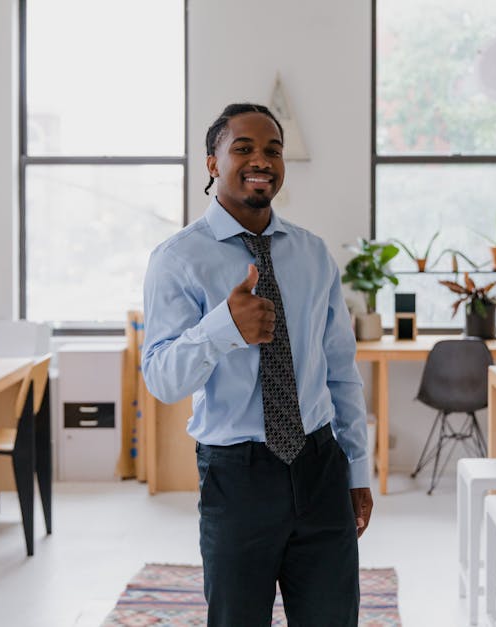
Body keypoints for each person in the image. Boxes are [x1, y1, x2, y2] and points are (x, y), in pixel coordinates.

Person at [142, 103, 372, 626]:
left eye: (272, 149)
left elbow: (340, 369)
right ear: (212, 162)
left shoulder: (311, 254)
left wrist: (356, 469)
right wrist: (223, 326)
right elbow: (161, 380)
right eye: (242, 148)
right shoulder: (178, 259)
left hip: (319, 467)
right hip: (236, 476)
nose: (260, 160)